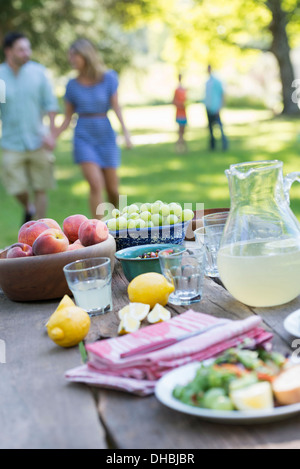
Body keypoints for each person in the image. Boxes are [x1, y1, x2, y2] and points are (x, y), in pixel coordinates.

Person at [54, 38, 132, 218]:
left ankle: (119, 222)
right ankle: (98, 231)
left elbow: (116, 107)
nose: (71, 59)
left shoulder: (108, 78)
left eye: (75, 55)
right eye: (70, 56)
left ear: (86, 55)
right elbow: (67, 118)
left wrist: (126, 133)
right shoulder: (71, 85)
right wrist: (54, 136)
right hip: (83, 136)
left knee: (113, 188)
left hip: (105, 133)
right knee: (95, 184)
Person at [0, 32, 58, 224]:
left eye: (28, 48)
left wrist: (51, 134)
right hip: (11, 141)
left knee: (41, 186)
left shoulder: (38, 73)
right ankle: (28, 207)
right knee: (16, 188)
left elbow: (50, 104)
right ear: (9, 51)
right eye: (21, 49)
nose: (27, 53)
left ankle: (41, 227)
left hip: (37, 139)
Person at [204, 65, 228, 151]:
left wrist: (220, 107)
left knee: (220, 127)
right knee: (210, 129)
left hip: (215, 108)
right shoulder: (207, 82)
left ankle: (225, 144)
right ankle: (212, 146)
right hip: (208, 108)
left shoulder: (217, 81)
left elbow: (222, 94)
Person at [173, 74, 188, 152]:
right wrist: (180, 105)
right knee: (180, 132)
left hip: (184, 113)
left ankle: (183, 147)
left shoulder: (185, 89)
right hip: (179, 113)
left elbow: (187, 100)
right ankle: (179, 147)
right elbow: (174, 101)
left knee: (183, 131)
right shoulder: (176, 90)